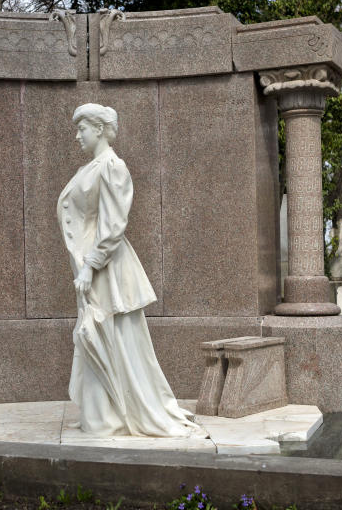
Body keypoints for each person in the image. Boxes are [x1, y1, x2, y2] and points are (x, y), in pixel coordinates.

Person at [57, 103, 199, 437]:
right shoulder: (91, 166)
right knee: (98, 337)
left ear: (100, 129)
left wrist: (90, 266)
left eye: (82, 129)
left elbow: (114, 223)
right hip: (93, 267)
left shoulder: (112, 166)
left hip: (106, 268)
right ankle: (102, 414)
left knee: (112, 338)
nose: (77, 135)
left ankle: (112, 416)